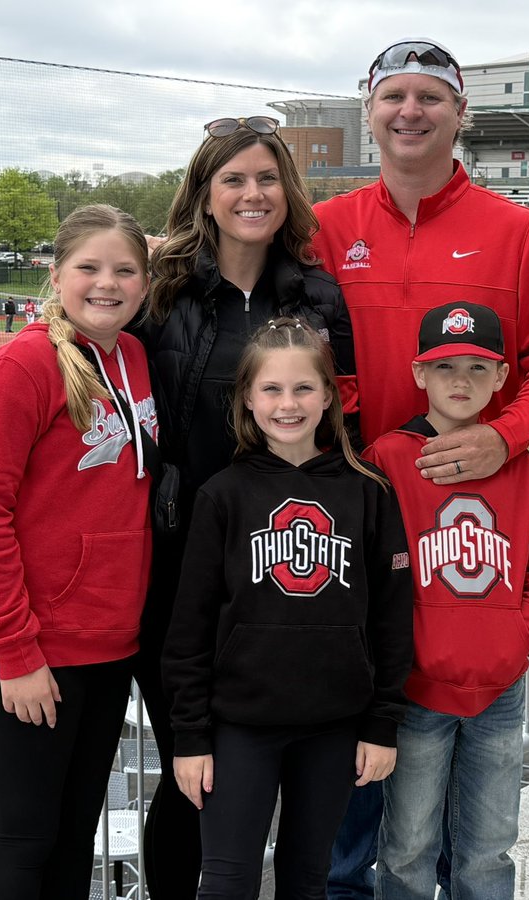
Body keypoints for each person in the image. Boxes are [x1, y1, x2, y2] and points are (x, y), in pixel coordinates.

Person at [311, 37, 529, 899]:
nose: (411, 111)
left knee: (457, 812)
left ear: (461, 113)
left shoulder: (516, 231)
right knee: (354, 752)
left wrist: (506, 436)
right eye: (394, 96)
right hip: (357, 512)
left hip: (464, 529)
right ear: (370, 111)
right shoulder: (327, 229)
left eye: (430, 96)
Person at [136, 115, 354, 899]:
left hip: (290, 568)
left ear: (285, 191)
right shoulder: (160, 289)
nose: (251, 193)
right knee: (190, 771)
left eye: (266, 178)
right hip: (180, 570)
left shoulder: (319, 294)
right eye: (233, 179)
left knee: (283, 781)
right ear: (205, 193)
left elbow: (344, 425)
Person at [163, 318, 413, 899]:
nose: (288, 404)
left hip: (334, 725)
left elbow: (392, 618)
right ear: (248, 399)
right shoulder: (222, 495)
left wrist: (382, 723)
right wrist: (190, 736)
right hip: (239, 727)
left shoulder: (368, 491)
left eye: (303, 388)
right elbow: (190, 627)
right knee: (226, 882)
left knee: (307, 879)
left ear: (329, 396)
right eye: (271, 389)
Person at [0, 204, 156, 899]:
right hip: (29, 644)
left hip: (108, 638)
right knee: (24, 836)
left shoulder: (132, 357)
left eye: (125, 270)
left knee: (74, 832)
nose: (108, 283)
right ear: (57, 274)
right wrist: (16, 650)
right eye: (89, 267)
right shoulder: (22, 365)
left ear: (145, 282)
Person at [365, 303, 529, 899]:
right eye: (445, 366)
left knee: (490, 847)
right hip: (417, 689)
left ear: (502, 377)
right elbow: (368, 571)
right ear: (418, 373)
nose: (461, 380)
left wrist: (519, 636)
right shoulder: (389, 457)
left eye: (478, 367)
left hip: (500, 687)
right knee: (407, 847)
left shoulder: (515, 461)